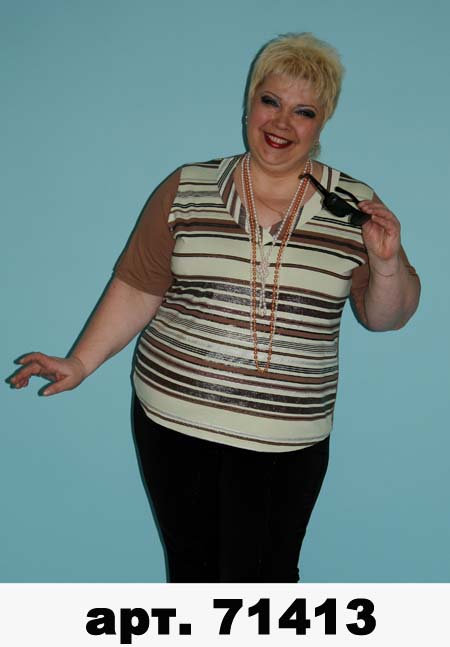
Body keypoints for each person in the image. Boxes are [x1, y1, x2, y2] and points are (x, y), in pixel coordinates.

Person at [9, 33, 420, 583]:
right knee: (193, 576)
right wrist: (80, 362)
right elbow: (138, 286)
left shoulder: (354, 206)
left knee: (269, 578)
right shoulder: (188, 186)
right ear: (250, 104)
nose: (282, 122)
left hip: (288, 439)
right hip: (174, 421)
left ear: (322, 124)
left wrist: (387, 262)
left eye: (304, 111)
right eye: (271, 101)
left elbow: (386, 317)